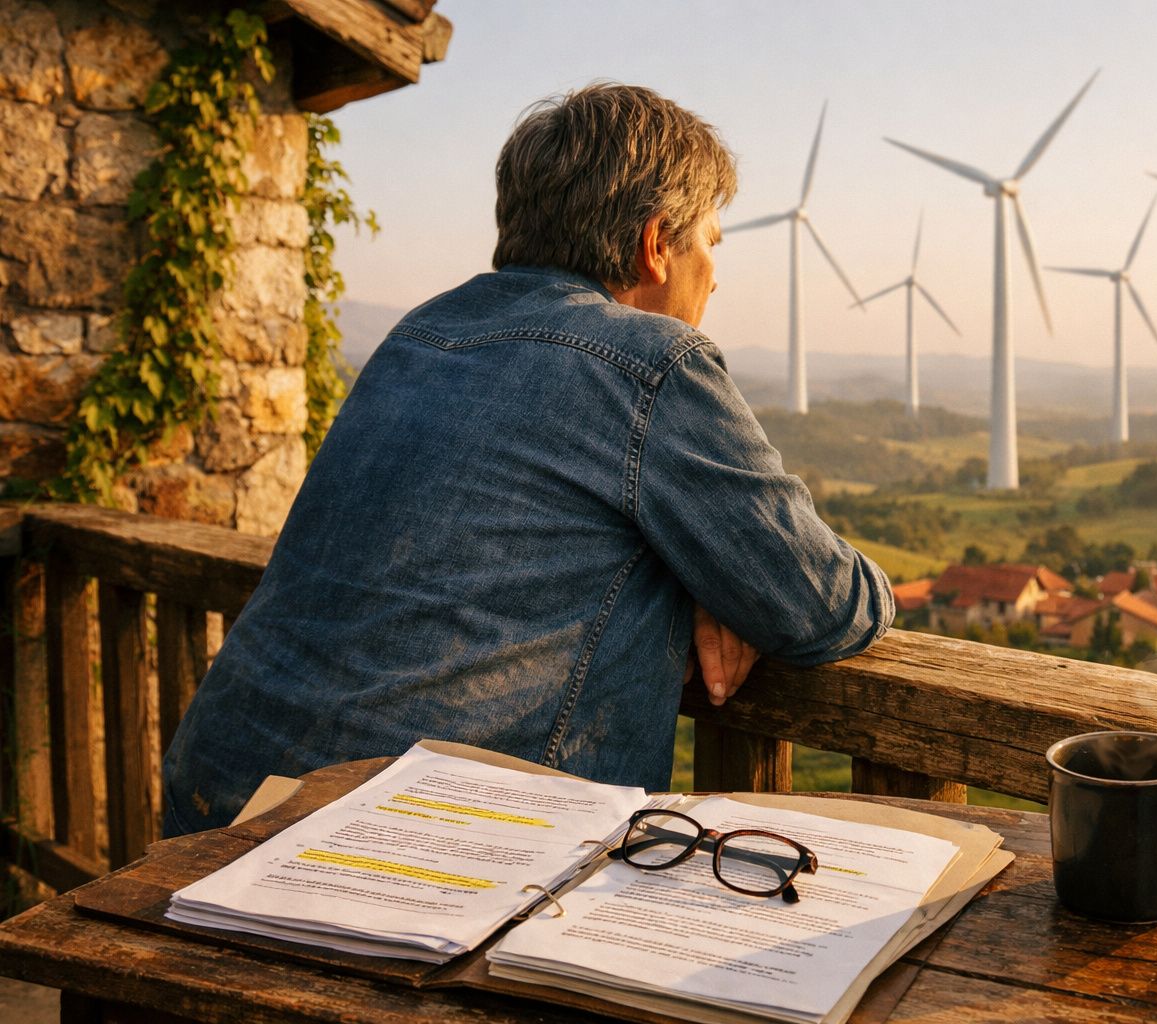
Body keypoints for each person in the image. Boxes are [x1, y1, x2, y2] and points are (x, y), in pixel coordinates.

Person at [160, 83, 894, 835]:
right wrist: (729, 578)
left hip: (219, 795)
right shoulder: (651, 363)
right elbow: (821, 604)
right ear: (655, 244)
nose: (716, 271)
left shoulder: (421, 333)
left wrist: (708, 574)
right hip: (393, 842)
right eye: (710, 240)